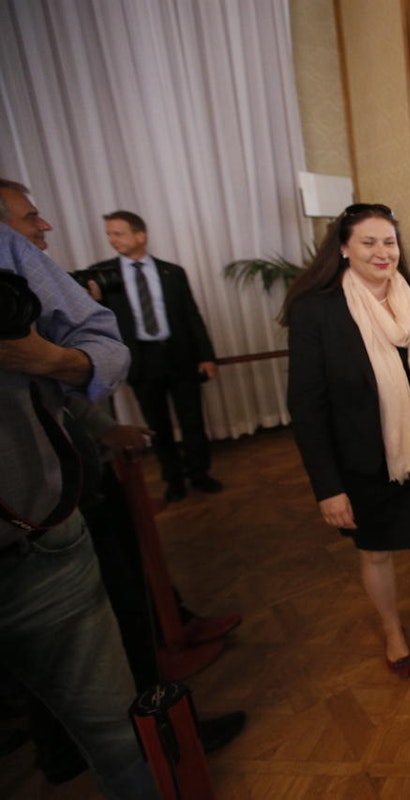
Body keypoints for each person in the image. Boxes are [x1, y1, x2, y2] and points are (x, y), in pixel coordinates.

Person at [0, 178, 245, 782]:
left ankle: (154, 740)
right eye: (30, 217)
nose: (44, 226)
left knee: (112, 655)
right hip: (47, 509)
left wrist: (56, 365)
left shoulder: (35, 285)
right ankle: (62, 749)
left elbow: (83, 361)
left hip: (51, 521)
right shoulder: (99, 274)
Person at [281, 203, 410, 700]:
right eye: (368, 242)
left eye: (389, 242)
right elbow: (307, 407)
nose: (382, 252)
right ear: (344, 249)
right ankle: (392, 631)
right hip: (361, 460)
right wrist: (328, 488)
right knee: (376, 554)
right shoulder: (316, 310)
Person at [0, 223, 158, 798]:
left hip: (41, 549)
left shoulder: (7, 250)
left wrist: (46, 358)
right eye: (30, 216)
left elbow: (104, 348)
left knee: (117, 733)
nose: (43, 226)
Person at [85, 210, 221, 503]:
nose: (112, 240)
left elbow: (192, 315)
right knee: (157, 425)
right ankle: (173, 479)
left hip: (180, 355)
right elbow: (96, 319)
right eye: (109, 234)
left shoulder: (172, 272)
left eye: (118, 233)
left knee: (193, 421)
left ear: (140, 235)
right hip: (141, 361)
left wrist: (207, 356)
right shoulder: (101, 275)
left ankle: (200, 473)